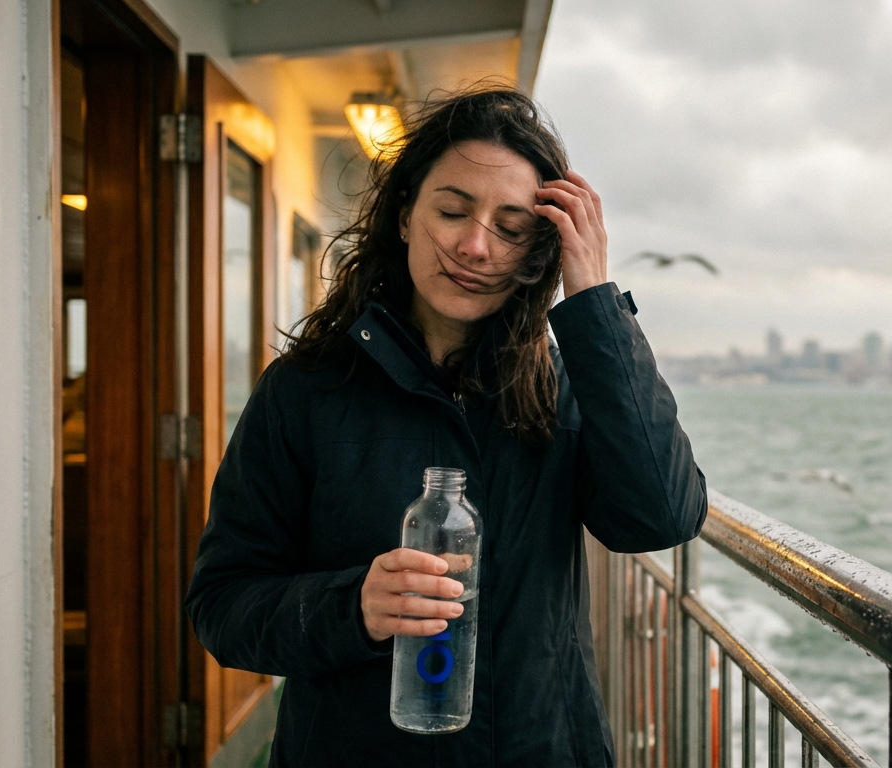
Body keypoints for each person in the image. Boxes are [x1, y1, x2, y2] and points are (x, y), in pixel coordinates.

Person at [184, 87, 708, 767]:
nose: (475, 244)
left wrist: (595, 305)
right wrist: (356, 605)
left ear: (533, 255)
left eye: (512, 228)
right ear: (404, 215)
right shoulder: (306, 389)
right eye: (453, 210)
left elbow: (662, 517)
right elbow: (222, 605)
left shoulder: (564, 384)